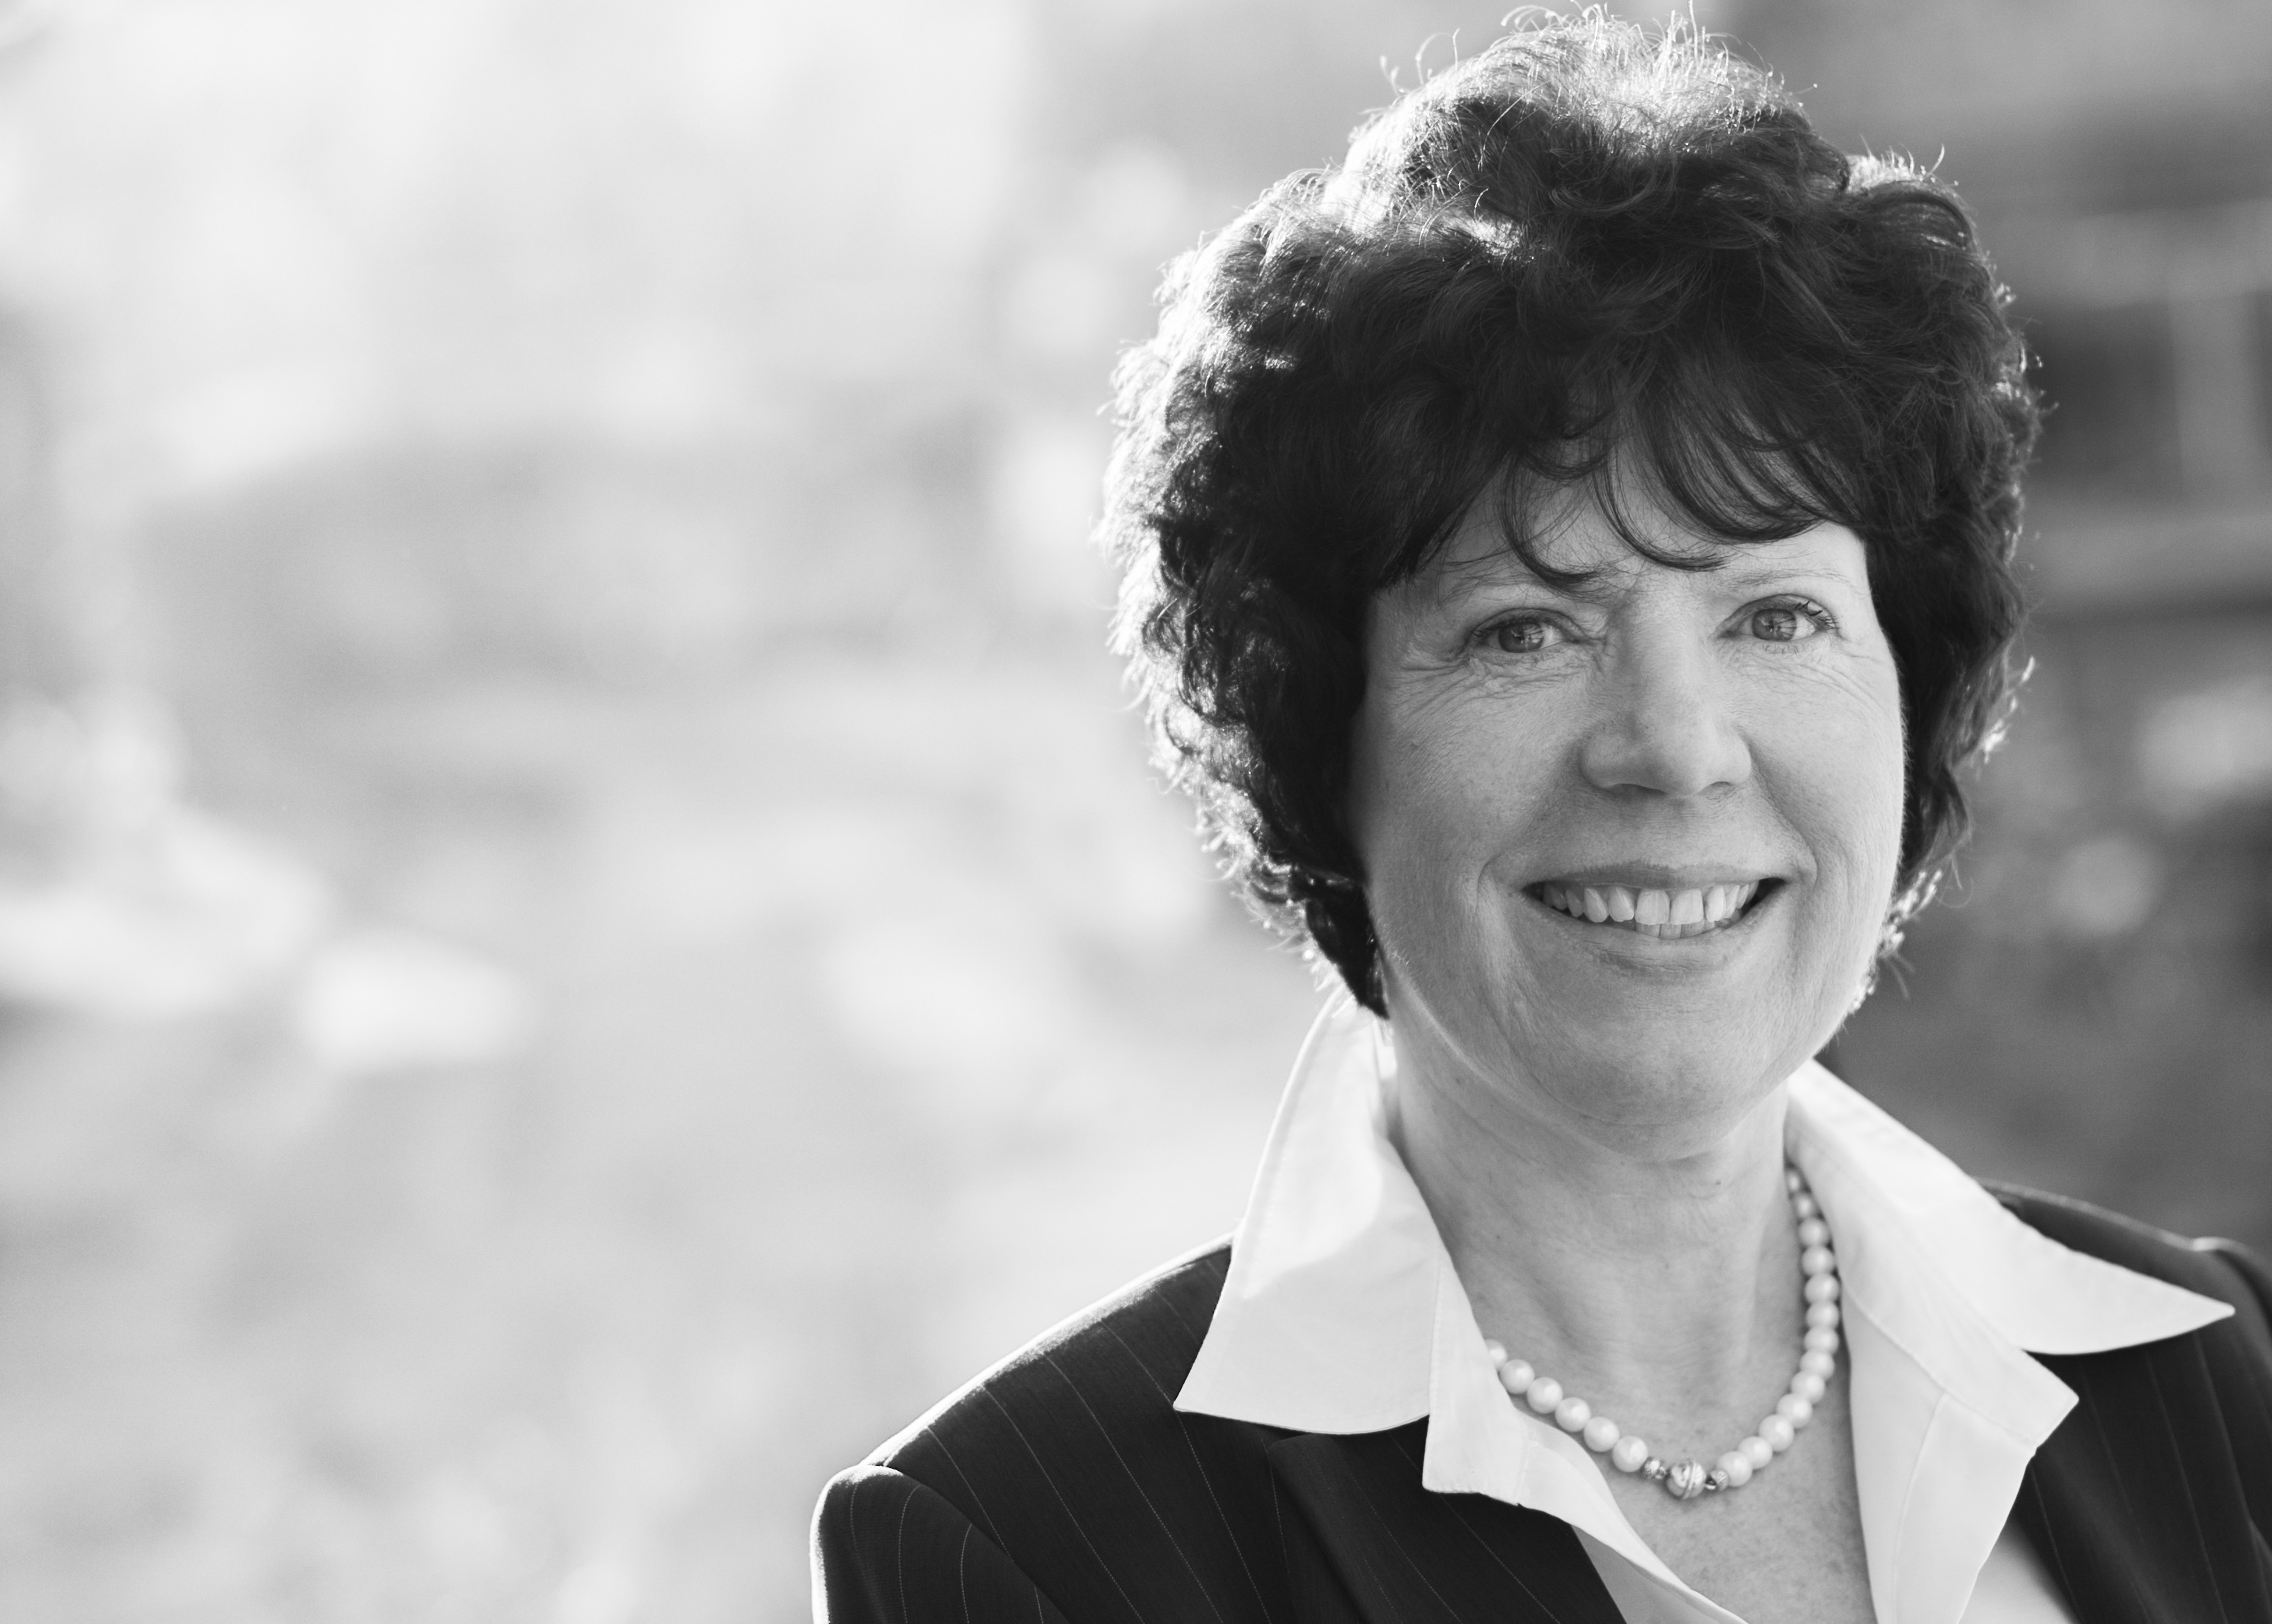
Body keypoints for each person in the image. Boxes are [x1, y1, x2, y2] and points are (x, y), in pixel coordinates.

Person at [812, 14, 2272, 1623]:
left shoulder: (2222, 1385)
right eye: (1526, 629)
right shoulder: (1025, 1551)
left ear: (1907, 694)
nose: (1677, 748)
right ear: (1322, 739)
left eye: (1776, 616)